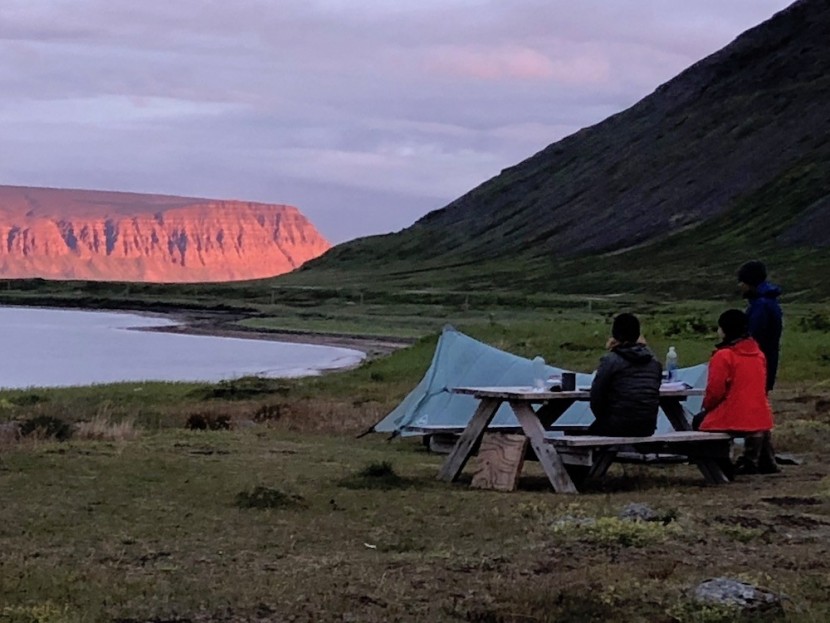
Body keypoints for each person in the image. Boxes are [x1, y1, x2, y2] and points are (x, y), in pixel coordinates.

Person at [696, 309, 778, 474]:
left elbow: (715, 391)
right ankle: (761, 461)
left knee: (699, 421)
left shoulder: (723, 356)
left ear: (724, 330)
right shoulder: (759, 355)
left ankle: (720, 464)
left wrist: (707, 407)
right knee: (757, 426)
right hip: (760, 416)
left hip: (734, 416)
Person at [588, 313, 662, 436]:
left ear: (614, 335)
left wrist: (604, 417)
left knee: (590, 432)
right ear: (638, 334)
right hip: (647, 426)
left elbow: (596, 396)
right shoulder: (654, 362)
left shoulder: (611, 360)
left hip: (617, 423)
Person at [737, 260, 783, 391]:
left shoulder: (761, 305)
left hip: (757, 363)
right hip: (766, 360)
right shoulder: (767, 302)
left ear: (750, 282)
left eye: (742, 281)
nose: (740, 285)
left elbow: (753, 336)